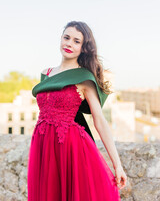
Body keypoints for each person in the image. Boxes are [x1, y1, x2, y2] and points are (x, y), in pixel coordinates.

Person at [27, 21, 127, 201]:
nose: (69, 44)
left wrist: (117, 164)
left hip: (70, 146)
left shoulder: (84, 78)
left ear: (83, 48)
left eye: (76, 41)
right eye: (66, 38)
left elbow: (99, 121)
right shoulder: (46, 73)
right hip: (42, 143)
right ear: (60, 39)